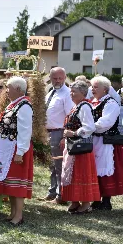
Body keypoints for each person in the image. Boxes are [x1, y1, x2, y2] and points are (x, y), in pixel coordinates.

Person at [0, 76, 33, 226]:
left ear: (18, 89)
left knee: (17, 184)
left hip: (17, 149)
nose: (6, 91)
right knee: (10, 183)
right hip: (8, 149)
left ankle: (18, 216)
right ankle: (13, 212)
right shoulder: (13, 104)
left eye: (9, 88)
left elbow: (25, 130)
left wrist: (21, 151)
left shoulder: (24, 106)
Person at [60, 81, 100, 214]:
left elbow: (89, 127)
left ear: (83, 93)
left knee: (80, 174)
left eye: (74, 92)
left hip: (81, 148)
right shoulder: (76, 106)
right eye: (70, 91)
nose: (71, 94)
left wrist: (74, 133)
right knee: (71, 173)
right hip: (72, 146)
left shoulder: (84, 106)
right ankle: (75, 201)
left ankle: (86, 203)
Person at [90, 76, 123, 210]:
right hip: (95, 140)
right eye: (92, 86)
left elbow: (106, 122)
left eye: (96, 87)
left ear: (105, 89)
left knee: (105, 168)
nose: (93, 89)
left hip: (106, 142)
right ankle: (96, 199)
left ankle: (106, 200)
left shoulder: (111, 103)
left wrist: (89, 127)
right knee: (95, 168)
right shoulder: (93, 102)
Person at [43, 67, 74, 204]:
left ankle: (61, 195)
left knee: (59, 164)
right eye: (55, 78)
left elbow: (70, 116)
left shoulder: (67, 94)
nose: (58, 81)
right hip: (48, 132)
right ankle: (52, 191)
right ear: (50, 78)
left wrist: (64, 136)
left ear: (65, 77)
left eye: (60, 78)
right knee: (52, 164)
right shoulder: (51, 92)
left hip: (59, 132)